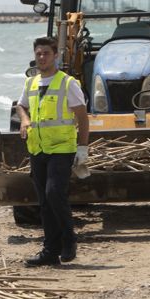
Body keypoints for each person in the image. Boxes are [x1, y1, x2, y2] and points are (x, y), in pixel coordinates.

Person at [15, 37, 89, 266]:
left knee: (54, 193)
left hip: (62, 148)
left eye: (46, 53)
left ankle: (69, 241)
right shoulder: (31, 83)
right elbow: (20, 105)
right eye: (38, 53)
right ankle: (50, 251)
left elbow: (82, 117)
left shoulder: (68, 83)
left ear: (55, 55)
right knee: (44, 202)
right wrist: (24, 120)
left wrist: (82, 148)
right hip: (37, 148)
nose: (42, 57)